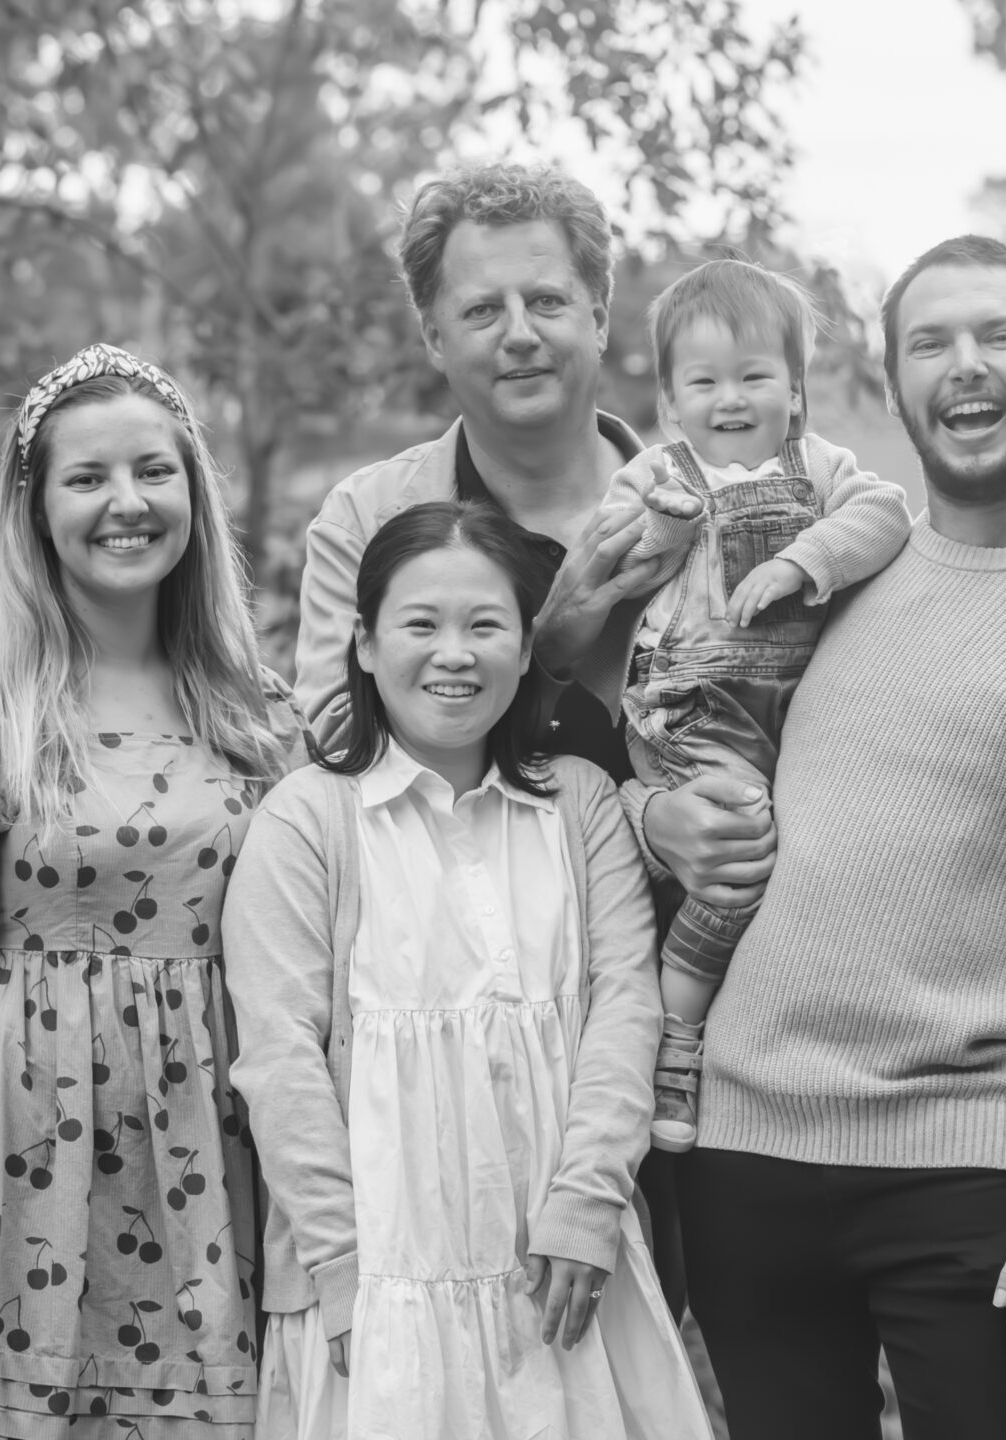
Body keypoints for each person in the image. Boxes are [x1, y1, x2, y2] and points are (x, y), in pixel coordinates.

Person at [668, 235, 1006, 1440]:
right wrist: (667, 814)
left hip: (965, 1171)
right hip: (744, 1150)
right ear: (891, 383)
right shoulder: (831, 579)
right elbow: (689, 745)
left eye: (998, 336)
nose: (964, 367)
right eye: (930, 342)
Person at [290, 161, 772, 1303]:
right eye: (481, 309)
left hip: (736, 1023)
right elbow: (331, 753)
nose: (519, 335)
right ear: (431, 332)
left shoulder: (731, 499)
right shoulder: (371, 519)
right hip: (481, 1044)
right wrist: (549, 648)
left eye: (548, 302)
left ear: (601, 317)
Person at [0, 344, 300, 1435]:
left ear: (193, 492)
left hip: (224, 1172)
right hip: (44, 1166)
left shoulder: (263, 716)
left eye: (153, 471)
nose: (125, 503)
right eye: (87, 479)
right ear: (33, 507)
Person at [227, 501, 713, 1439]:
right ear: (364, 645)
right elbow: (279, 1059)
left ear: (528, 649)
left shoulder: (580, 805)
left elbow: (626, 1010)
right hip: (378, 1283)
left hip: (564, 1271)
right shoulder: (307, 823)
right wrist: (337, 1266)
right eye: (421, 624)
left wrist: (588, 1203)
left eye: (485, 626)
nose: (455, 653)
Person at [595, 259, 911, 1152]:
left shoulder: (824, 467)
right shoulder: (660, 471)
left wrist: (804, 561)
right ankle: (677, 1037)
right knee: (739, 849)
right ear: (667, 402)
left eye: (754, 376)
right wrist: (664, 521)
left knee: (808, 856)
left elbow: (886, 515)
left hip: (791, 707)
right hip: (692, 703)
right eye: (703, 381)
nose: (729, 399)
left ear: (797, 394)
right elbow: (617, 551)